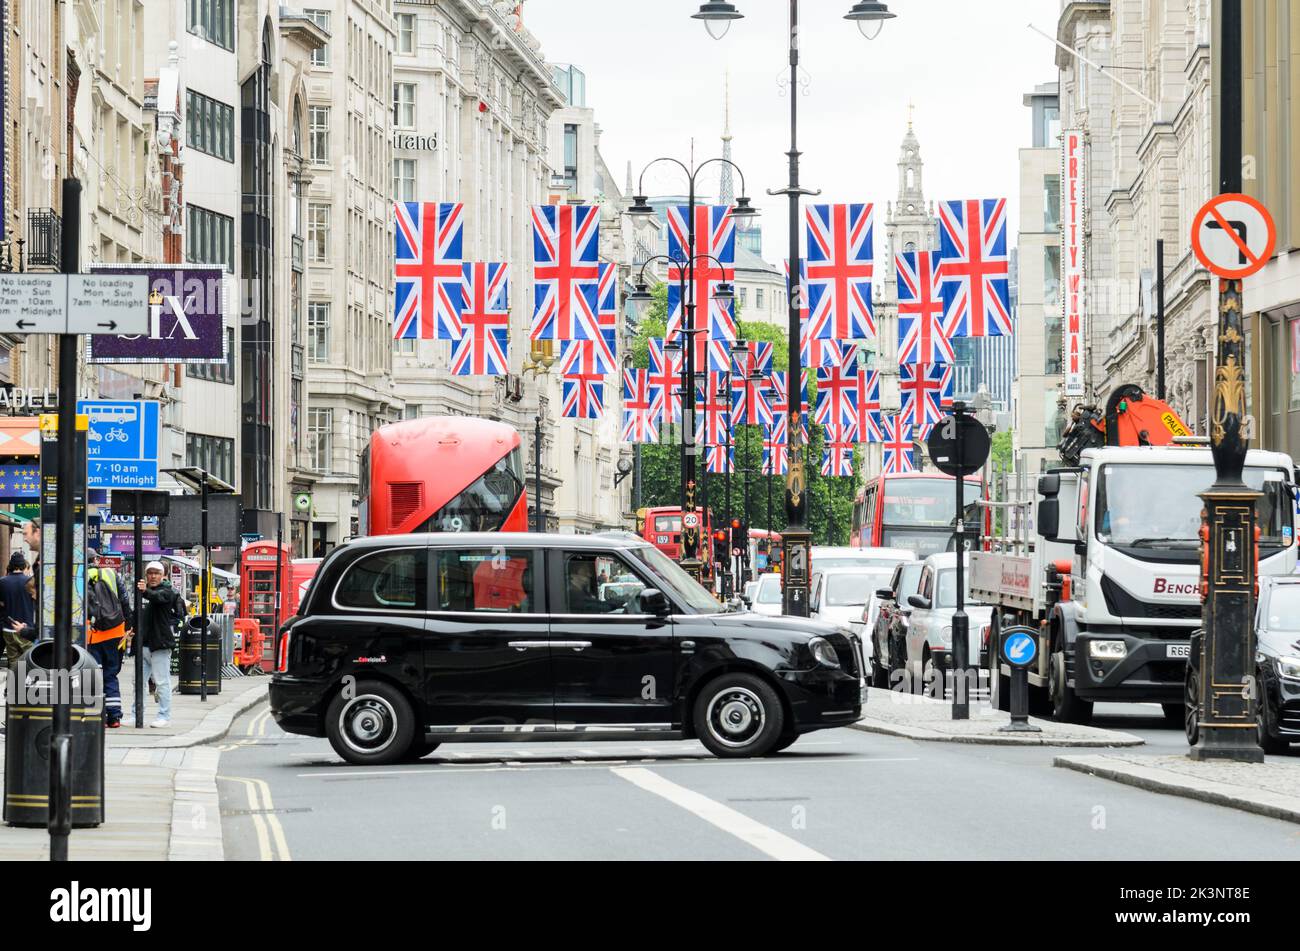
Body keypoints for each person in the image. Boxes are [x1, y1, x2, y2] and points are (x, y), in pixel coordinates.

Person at [86, 553, 134, 728]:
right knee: (111, 674)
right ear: (96, 561)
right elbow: (124, 600)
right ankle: (114, 716)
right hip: (115, 632)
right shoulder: (112, 574)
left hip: (92, 633)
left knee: (92, 675)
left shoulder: (79, 576)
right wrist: (128, 625)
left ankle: (96, 714)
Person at [136, 561, 180, 728]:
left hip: (160, 644)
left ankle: (164, 715)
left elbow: (158, 597)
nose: (153, 576)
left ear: (163, 576)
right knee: (138, 682)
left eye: (157, 573)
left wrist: (144, 591)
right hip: (143, 644)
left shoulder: (167, 592)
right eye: (150, 573)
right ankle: (136, 713)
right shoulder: (144, 593)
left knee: (162, 682)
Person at [0, 552, 36, 669]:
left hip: (8, 628)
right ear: (23, 565)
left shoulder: (2, 582)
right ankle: (26, 685)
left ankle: (14, 685)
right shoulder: (30, 581)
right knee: (29, 662)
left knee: (14, 662)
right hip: (26, 629)